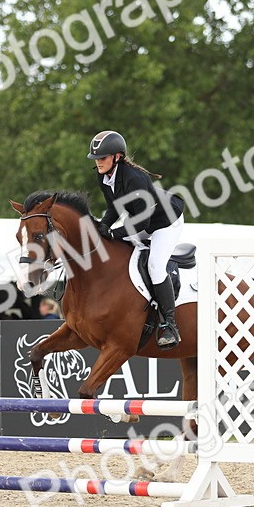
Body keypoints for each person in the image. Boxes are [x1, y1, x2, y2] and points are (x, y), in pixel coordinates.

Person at [89, 129, 186, 349]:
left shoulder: (134, 178)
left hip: (165, 223)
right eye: (96, 159)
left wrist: (114, 233)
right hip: (144, 221)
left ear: (117, 157)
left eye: (102, 158)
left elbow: (142, 223)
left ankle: (170, 325)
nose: (98, 163)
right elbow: (114, 206)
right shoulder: (103, 175)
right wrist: (103, 225)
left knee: (155, 266)